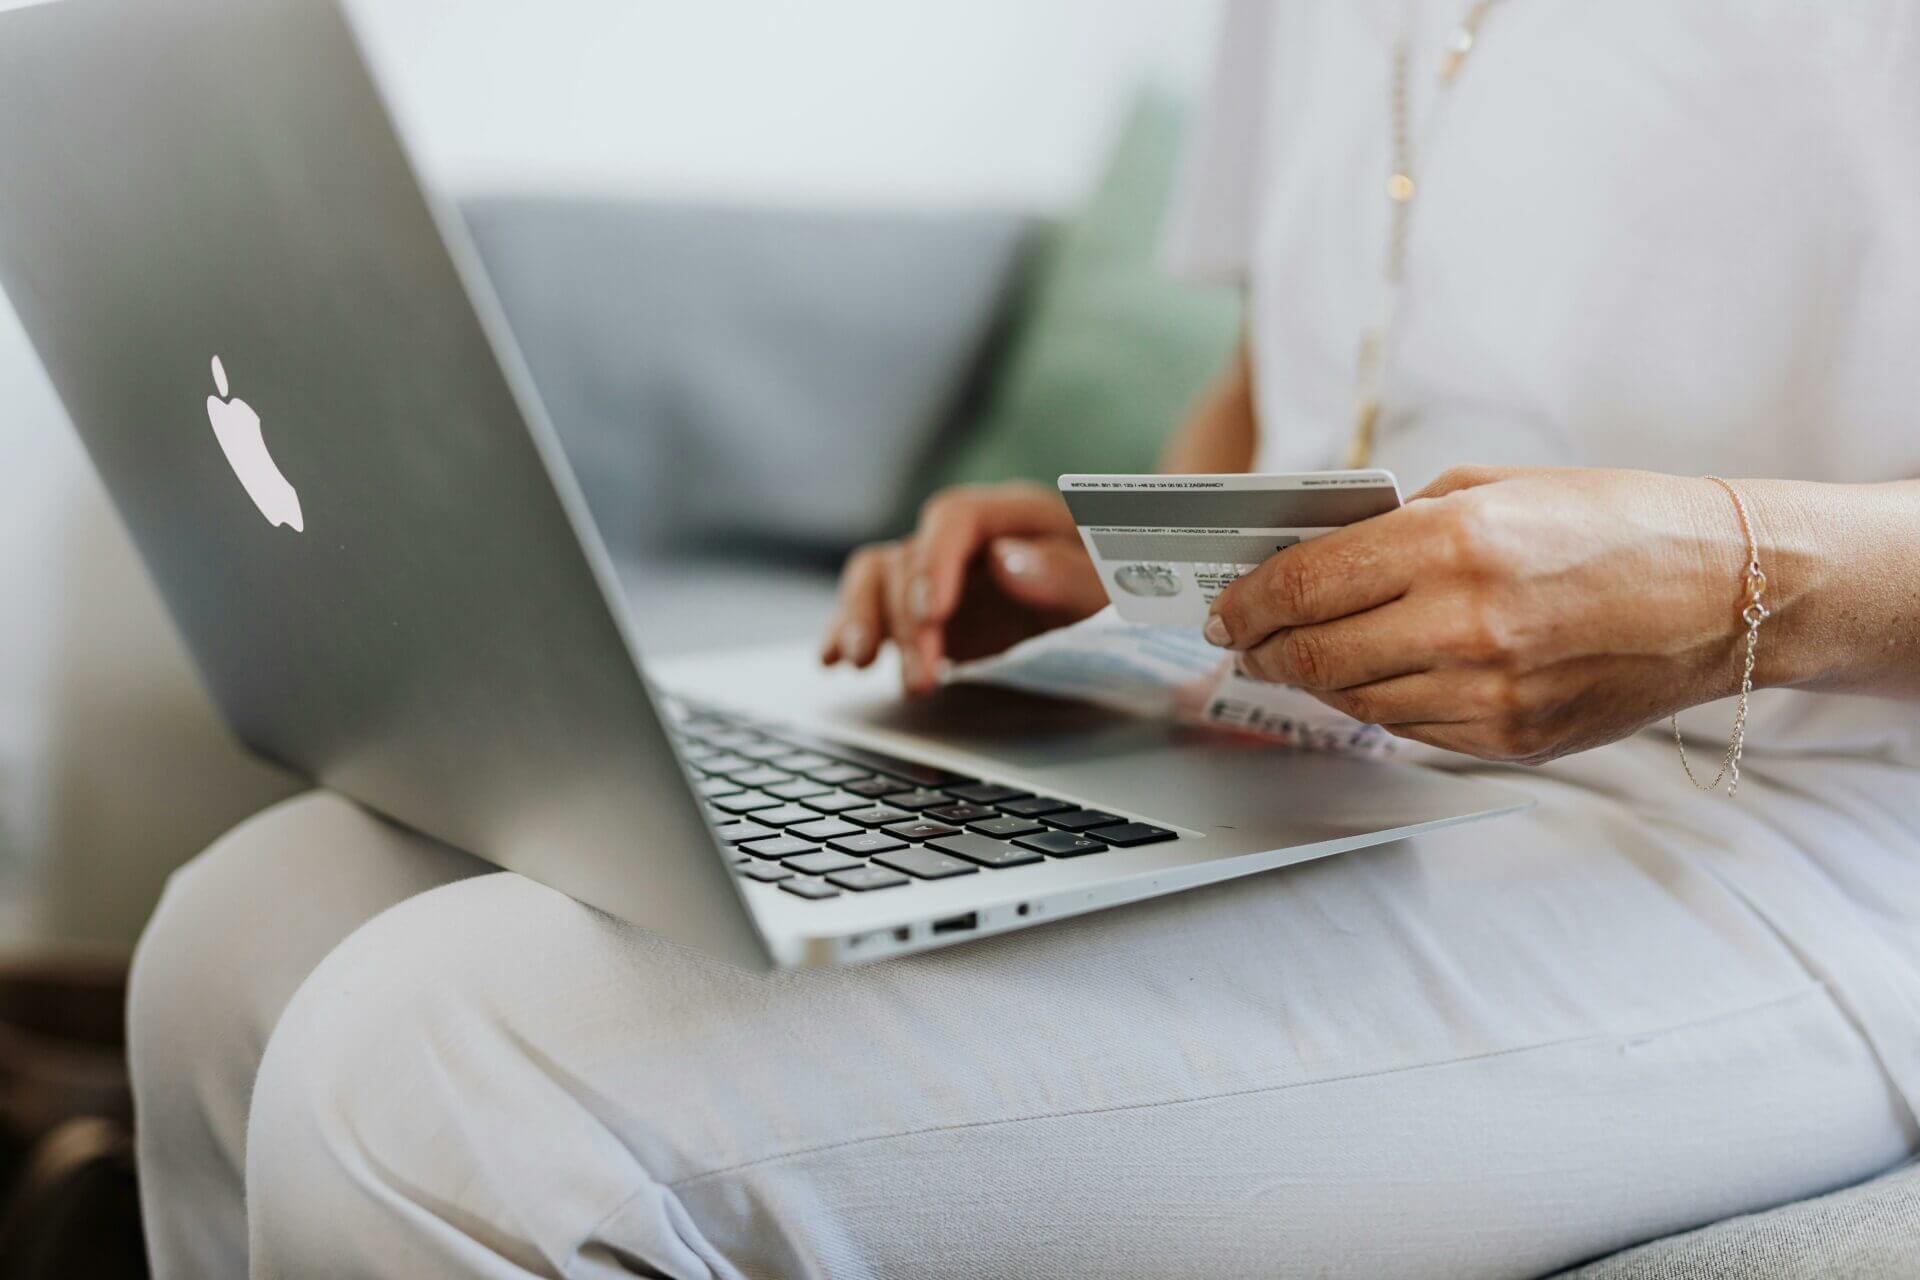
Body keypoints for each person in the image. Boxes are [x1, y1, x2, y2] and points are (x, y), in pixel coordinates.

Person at [128, 2, 1920, 1276]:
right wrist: (1147, 556)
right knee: (247, 932)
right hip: (1316, 738)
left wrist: (1728, 574)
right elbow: (1279, 373)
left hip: (1770, 824)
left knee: (440, 1088)